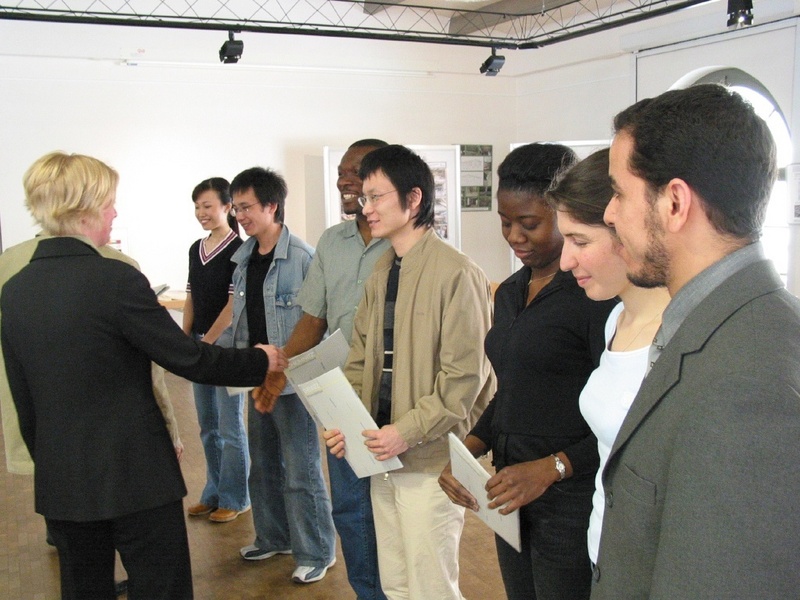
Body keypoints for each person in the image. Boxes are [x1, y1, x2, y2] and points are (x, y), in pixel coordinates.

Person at [0, 151, 286, 600]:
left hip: (61, 480)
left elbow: (24, 399)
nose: (115, 212)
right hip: (136, 477)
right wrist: (260, 359)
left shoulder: (14, 291)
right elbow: (186, 357)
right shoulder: (114, 278)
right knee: (161, 587)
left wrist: (51, 463)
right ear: (85, 206)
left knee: (83, 588)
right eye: (110, 202)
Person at [592, 83, 800, 598]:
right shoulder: (713, 323)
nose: (609, 214)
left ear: (675, 203)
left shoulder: (750, 385)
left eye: (619, 192)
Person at [438, 143, 616, 600]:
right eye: (504, 221)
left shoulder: (595, 298)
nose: (514, 235)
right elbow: (512, 393)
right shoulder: (510, 292)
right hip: (510, 493)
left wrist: (554, 467)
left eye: (530, 223)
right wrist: (469, 449)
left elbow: (623, 418)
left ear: (565, 214)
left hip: (571, 501)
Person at [324, 144, 495, 600]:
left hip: (431, 463)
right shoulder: (383, 271)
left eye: (377, 196)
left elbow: (464, 382)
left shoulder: (458, 273)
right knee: (397, 584)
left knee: (431, 587)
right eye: (365, 198)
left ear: (414, 199)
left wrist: (405, 431)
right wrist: (346, 423)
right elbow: (360, 361)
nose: (367, 208)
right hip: (382, 455)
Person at [261, 139, 390, 599]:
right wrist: (279, 372)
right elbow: (312, 319)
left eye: (355, 170)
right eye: (341, 171)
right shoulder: (332, 242)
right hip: (344, 399)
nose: (342, 180)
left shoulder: (408, 244)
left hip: (398, 401)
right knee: (351, 511)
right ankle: (367, 593)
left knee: (398, 512)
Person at [545, 148, 670, 566]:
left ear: (626, 230)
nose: (565, 261)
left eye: (580, 241)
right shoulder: (615, 317)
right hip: (604, 550)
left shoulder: (675, 339)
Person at [217, 166, 337, 584]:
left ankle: (316, 550)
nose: (240, 217)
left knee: (301, 469)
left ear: (272, 206)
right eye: (236, 208)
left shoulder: (301, 258)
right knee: (263, 465)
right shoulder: (245, 257)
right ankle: (274, 537)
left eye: (247, 207)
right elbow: (240, 321)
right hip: (256, 379)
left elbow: (314, 323)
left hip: (292, 384)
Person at [182, 177, 250, 523]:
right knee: (207, 426)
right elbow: (192, 294)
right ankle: (213, 491)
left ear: (227, 207)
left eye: (207, 206)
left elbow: (232, 304)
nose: (201, 213)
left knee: (229, 426)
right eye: (197, 207)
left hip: (224, 350)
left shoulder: (240, 249)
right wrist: (186, 339)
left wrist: (208, 340)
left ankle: (236, 497)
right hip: (199, 347)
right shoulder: (196, 248)